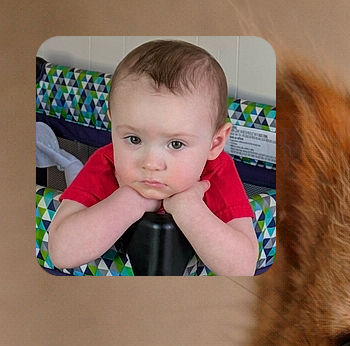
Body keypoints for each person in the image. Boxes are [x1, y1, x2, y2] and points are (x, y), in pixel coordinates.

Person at [47, 40, 259, 276]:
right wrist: (130, 202)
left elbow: (243, 268)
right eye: (134, 139)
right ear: (112, 126)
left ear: (215, 143)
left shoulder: (217, 172)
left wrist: (189, 209)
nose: (150, 163)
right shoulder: (105, 163)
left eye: (176, 144)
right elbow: (61, 252)